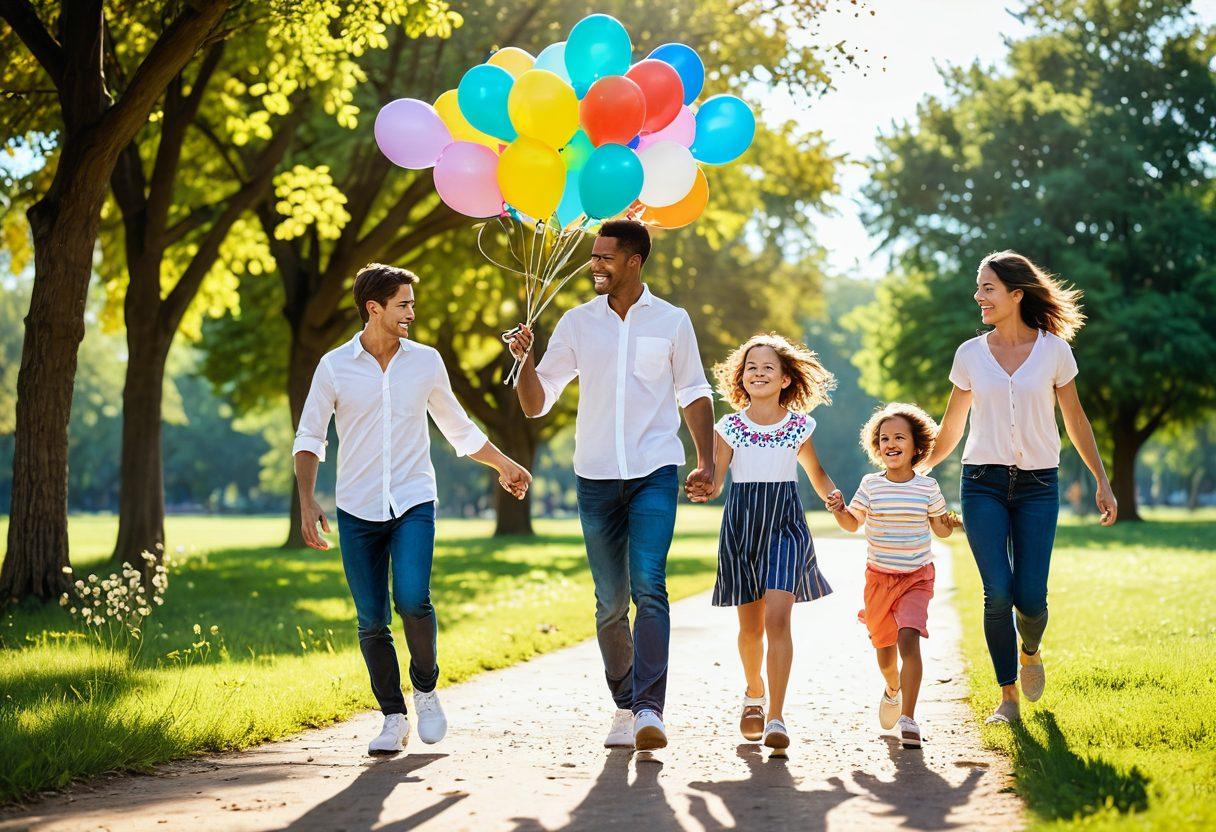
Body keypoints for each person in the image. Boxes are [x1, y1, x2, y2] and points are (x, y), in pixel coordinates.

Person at [293, 263, 532, 755]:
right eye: (402, 305)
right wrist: (307, 500)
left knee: (412, 598)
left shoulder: (425, 362)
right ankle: (392, 717)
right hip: (357, 508)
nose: (411, 313)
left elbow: (458, 427)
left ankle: (425, 690)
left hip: (413, 500)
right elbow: (309, 436)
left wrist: (504, 464)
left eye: (411, 304)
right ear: (373, 308)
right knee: (371, 620)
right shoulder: (334, 366)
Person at [506, 220, 715, 751]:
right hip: (595, 477)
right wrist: (524, 360)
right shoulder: (577, 324)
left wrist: (706, 461)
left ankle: (650, 708)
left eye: (603, 257)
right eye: (593, 256)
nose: (593, 264)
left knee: (650, 585)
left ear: (634, 261)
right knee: (609, 602)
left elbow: (694, 392)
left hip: (654, 472)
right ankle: (624, 706)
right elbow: (536, 402)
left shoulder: (672, 320)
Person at [925, 250, 1117, 725]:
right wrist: (920, 471)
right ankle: (1007, 698)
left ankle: (1030, 649)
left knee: (1030, 597)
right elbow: (952, 426)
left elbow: (1075, 420)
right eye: (978, 287)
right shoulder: (969, 355)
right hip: (982, 483)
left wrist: (1102, 480)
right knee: (997, 592)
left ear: (1015, 294)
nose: (978, 296)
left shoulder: (1054, 350)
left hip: (1037, 486)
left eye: (987, 288)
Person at [691, 333, 836, 750]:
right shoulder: (729, 427)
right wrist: (703, 486)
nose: (758, 372)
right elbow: (717, 482)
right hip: (741, 525)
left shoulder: (799, 426)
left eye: (768, 367)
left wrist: (836, 500)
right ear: (742, 377)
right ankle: (754, 691)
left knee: (777, 621)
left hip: (785, 524)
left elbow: (817, 472)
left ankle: (776, 716)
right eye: (751, 366)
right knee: (750, 629)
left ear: (786, 378)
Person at [830, 403, 963, 749]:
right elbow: (851, 524)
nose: (891, 443)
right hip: (879, 579)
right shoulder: (870, 485)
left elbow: (940, 531)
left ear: (916, 446)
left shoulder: (927, 488)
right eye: (884, 438)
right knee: (885, 652)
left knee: (909, 639)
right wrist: (840, 510)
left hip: (917, 578)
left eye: (899, 437)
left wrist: (948, 524)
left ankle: (909, 716)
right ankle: (892, 688)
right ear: (877, 446)